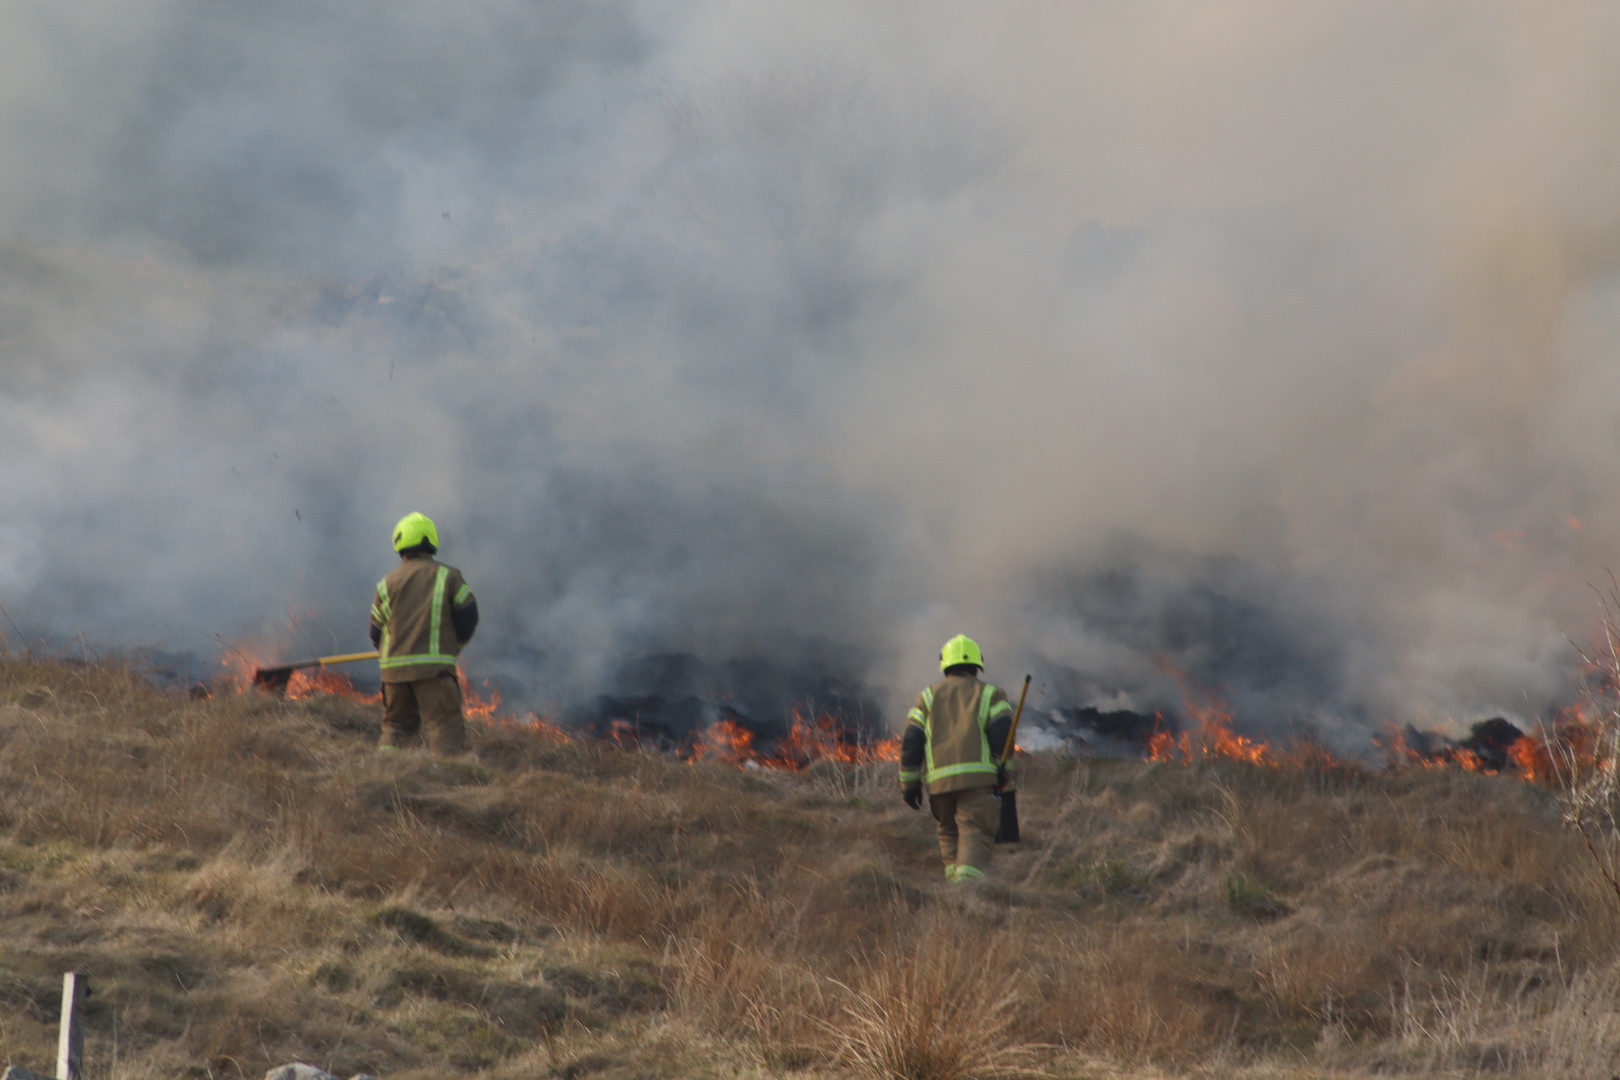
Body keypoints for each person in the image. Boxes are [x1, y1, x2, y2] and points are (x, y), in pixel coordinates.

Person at [899, 634, 1015, 883]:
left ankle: (953, 889)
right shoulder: (991, 694)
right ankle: (966, 894)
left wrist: (909, 785)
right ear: (977, 666)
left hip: (939, 785)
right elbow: (1002, 735)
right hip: (977, 781)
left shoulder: (927, 697)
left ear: (945, 665)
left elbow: (911, 741)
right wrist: (1004, 770)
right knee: (975, 832)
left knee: (948, 833)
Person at [369, 512, 479, 753]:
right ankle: (445, 780)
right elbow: (469, 617)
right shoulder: (447, 576)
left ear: (399, 542)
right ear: (432, 540)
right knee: (443, 726)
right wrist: (455, 646)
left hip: (393, 673)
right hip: (433, 671)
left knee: (396, 727)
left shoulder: (386, 583)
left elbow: (375, 632)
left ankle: (385, 775)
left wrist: (394, 654)